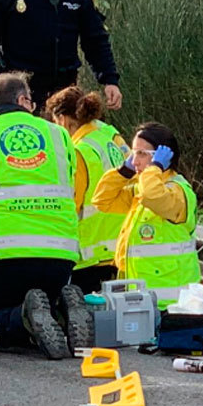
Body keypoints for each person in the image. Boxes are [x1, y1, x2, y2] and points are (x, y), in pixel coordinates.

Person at [0, 72, 91, 360]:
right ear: (23, 100)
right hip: (60, 257)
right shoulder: (59, 135)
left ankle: (24, 317)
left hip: (4, 258)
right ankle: (60, 310)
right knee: (41, 297)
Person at [91, 122, 200, 310]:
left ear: (163, 157)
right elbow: (102, 200)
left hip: (170, 305)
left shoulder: (177, 192)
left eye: (142, 154)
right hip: (140, 300)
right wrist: (124, 171)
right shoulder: (142, 190)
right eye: (134, 153)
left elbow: (153, 195)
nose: (135, 161)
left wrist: (154, 168)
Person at [44, 86, 128, 295]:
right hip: (121, 245)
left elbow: (71, 206)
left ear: (63, 120)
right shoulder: (110, 134)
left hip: (91, 255)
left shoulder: (78, 152)